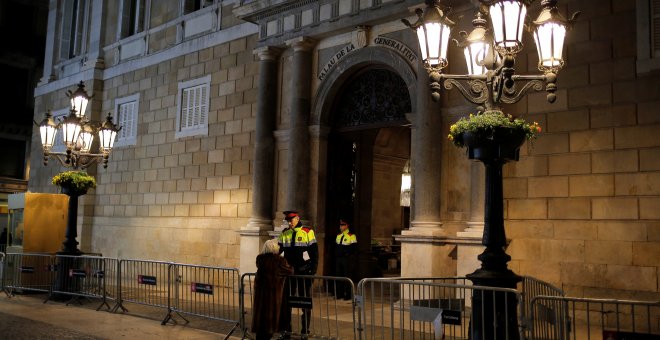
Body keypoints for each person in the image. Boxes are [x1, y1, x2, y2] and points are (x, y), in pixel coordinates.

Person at [277, 210, 318, 340]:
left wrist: (312, 271)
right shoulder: (285, 233)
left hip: (304, 272)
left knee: (305, 303)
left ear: (298, 218)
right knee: (287, 302)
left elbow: (314, 253)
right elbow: (278, 251)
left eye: (292, 220)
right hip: (289, 273)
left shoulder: (307, 231)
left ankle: (305, 330)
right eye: (288, 220)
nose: (290, 222)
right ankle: (287, 330)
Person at [251, 239, 293, 340]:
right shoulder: (279, 260)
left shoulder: (260, 259)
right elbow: (290, 270)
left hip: (260, 296)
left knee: (261, 326)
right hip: (272, 296)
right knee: (269, 325)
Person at [334, 218, 357, 300]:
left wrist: (347, 254)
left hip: (346, 259)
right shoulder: (338, 236)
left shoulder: (352, 236)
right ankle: (339, 294)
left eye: (342, 225)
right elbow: (336, 247)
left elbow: (353, 248)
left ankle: (348, 295)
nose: (341, 226)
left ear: (347, 226)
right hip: (338, 259)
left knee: (347, 276)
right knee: (338, 276)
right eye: (340, 225)